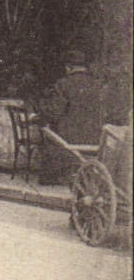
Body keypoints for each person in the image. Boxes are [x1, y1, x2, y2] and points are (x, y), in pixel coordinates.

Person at [39, 49, 109, 183]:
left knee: (49, 137)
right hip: (95, 138)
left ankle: (53, 178)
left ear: (68, 66)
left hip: (69, 141)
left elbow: (54, 112)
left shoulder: (63, 84)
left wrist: (41, 112)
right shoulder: (98, 85)